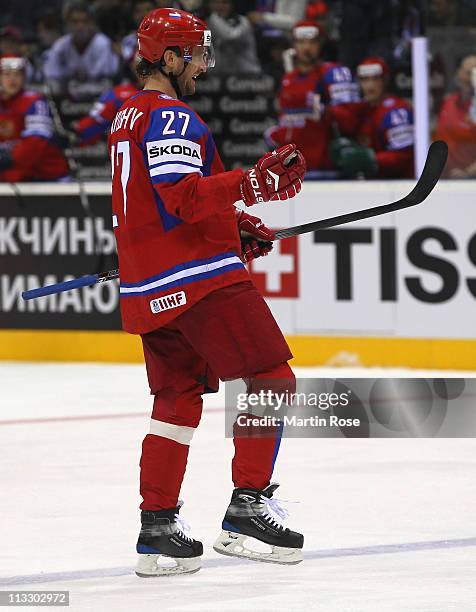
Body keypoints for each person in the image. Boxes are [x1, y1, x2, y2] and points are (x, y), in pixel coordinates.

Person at [108, 8, 306, 577]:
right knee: (271, 377)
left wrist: (232, 226)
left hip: (149, 288)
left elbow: (160, 202)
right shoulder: (171, 115)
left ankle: (158, 528)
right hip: (197, 281)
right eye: (193, 54)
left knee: (175, 402)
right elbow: (184, 197)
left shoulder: (125, 117)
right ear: (167, 58)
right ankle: (248, 508)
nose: (200, 65)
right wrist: (252, 183)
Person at [265, 20, 360, 173]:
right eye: (301, 42)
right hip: (292, 170)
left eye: (312, 42)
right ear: (294, 46)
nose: (306, 47)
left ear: (320, 45)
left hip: (325, 168)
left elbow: (352, 122)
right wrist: (277, 134)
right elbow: (288, 121)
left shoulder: (334, 74)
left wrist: (325, 110)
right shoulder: (288, 79)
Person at [338, 56, 414, 179]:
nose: (370, 85)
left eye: (375, 79)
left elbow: (404, 155)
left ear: (385, 81)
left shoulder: (397, 111)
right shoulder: (362, 110)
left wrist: (370, 158)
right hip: (373, 184)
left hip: (402, 185)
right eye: (365, 79)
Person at [0, 54, 69, 182]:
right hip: (15, 178)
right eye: (7, 74)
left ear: (24, 77)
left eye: (17, 74)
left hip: (49, 179)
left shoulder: (35, 102)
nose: (12, 80)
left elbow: (36, 142)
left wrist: (9, 159)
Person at [43, 2, 119, 85]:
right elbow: (51, 77)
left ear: (92, 23)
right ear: (67, 24)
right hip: (66, 96)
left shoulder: (102, 44)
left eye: (85, 21)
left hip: (99, 95)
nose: (80, 26)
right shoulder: (60, 46)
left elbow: (104, 81)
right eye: (75, 21)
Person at [435, 54, 476, 178]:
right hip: (444, 176)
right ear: (458, 74)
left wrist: (468, 173)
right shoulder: (449, 101)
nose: (471, 79)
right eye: (468, 73)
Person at [208, 0, 261, 74]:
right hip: (220, 75)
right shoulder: (209, 21)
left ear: (232, 5)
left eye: (225, 2)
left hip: (248, 75)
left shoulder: (243, 21)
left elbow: (230, 36)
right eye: (216, 2)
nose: (220, 6)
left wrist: (213, 17)